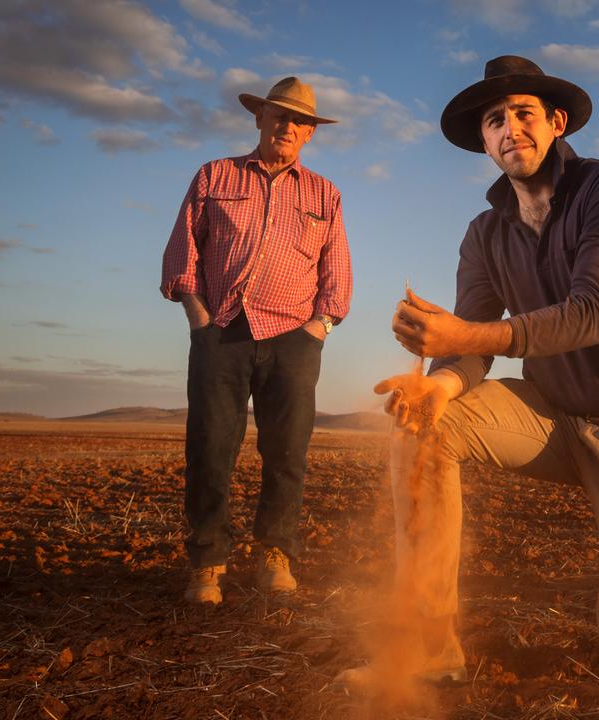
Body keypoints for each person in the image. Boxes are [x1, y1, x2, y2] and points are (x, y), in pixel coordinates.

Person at [338, 56, 599, 686]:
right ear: (483, 141)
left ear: (557, 122)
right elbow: (470, 348)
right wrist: (441, 381)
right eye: (495, 120)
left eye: (524, 114)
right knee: (428, 424)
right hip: (559, 420)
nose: (511, 129)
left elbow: (592, 312)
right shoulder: (484, 234)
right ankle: (430, 645)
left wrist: (460, 333)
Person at [160, 76, 352, 605]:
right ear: (260, 119)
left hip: (294, 338)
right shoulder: (214, 175)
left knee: (287, 453)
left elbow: (337, 276)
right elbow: (182, 253)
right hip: (221, 331)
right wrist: (199, 318)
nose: (289, 126)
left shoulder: (324, 194)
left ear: (310, 133)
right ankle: (207, 562)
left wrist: (319, 328)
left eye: (300, 121)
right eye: (279, 115)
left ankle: (275, 553)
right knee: (210, 448)